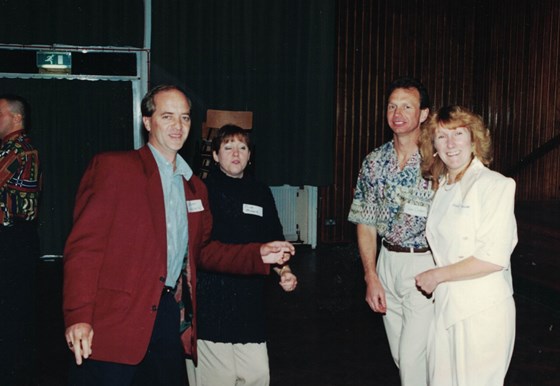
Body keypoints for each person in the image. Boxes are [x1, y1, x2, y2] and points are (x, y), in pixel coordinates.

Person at [63, 85, 295, 386]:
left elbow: (203, 252)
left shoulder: (194, 188)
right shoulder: (114, 168)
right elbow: (84, 250)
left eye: (184, 118)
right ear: (148, 122)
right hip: (115, 322)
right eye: (167, 116)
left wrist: (258, 254)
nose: (178, 126)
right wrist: (79, 315)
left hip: (168, 319)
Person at [187, 125, 298, 386]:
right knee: (218, 379)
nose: (236, 153)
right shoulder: (201, 191)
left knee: (256, 375)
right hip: (212, 303)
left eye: (242, 147)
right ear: (215, 155)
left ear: (250, 155)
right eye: (228, 147)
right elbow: (198, 250)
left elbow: (274, 239)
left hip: (250, 303)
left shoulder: (261, 192)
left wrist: (285, 270)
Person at [415, 105, 517, 385]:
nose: (450, 144)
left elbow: (493, 258)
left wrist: (436, 275)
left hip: (481, 310)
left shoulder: (495, 185)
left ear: (474, 140)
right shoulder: (443, 187)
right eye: (441, 136)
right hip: (446, 306)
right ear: (432, 145)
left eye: (458, 134)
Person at [348, 77, 435, 385]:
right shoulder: (374, 162)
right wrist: (371, 276)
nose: (397, 113)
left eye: (407, 106)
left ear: (423, 114)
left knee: (412, 361)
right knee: (403, 358)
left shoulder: (438, 160)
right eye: (392, 106)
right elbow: (365, 222)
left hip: (425, 265)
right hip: (387, 263)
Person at [0, 94, 42, 385]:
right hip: (14, 240)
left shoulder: (20, 150)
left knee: (12, 316)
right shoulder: (10, 148)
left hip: (13, 240)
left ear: (17, 118)